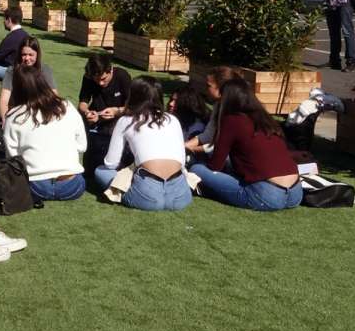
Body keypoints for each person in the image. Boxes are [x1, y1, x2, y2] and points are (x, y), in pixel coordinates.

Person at [188, 78, 303, 211]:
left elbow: (216, 165)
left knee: (197, 169)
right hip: (295, 192)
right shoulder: (265, 118)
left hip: (266, 195)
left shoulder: (232, 120)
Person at [94, 77, 192, 211]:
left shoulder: (126, 120)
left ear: (133, 96)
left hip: (147, 196)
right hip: (181, 196)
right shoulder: (173, 119)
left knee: (100, 171)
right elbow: (181, 161)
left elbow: (111, 163)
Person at [3, 65, 89, 202]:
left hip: (35, 186)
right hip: (72, 186)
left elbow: (12, 158)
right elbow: (82, 146)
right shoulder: (67, 106)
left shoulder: (13, 116)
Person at [77, 52, 132, 174]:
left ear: (110, 70)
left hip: (118, 121)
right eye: (96, 80)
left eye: (103, 79)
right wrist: (87, 112)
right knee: (90, 172)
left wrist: (117, 111)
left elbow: (133, 108)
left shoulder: (122, 76)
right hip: (96, 121)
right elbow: (82, 102)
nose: (100, 83)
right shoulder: (88, 77)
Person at [0, 35, 58, 117]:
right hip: (16, 113)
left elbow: (54, 96)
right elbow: (4, 100)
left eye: (31, 55)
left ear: (37, 55)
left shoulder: (45, 70)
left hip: (39, 113)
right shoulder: (11, 71)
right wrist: (5, 119)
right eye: (24, 54)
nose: (27, 58)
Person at [184, 65, 239, 155]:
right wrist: (185, 146)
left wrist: (192, 149)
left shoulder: (235, 110)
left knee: (195, 165)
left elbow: (223, 146)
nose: (206, 89)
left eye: (208, 85)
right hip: (222, 155)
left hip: (234, 159)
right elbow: (208, 135)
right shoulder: (218, 105)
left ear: (222, 87)